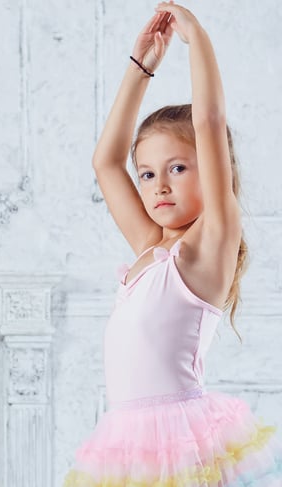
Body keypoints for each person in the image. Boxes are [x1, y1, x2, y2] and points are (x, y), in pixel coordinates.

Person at [64, 3, 282, 485]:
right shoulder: (149, 245)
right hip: (126, 444)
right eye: (147, 174)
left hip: (181, 442)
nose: (159, 185)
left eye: (178, 168)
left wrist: (197, 38)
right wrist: (141, 67)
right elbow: (105, 162)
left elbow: (207, 120)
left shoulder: (210, 241)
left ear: (215, 168)